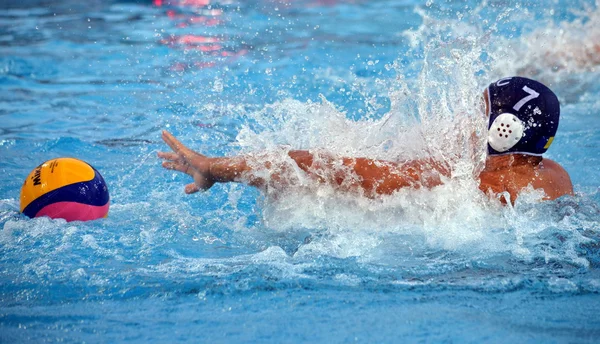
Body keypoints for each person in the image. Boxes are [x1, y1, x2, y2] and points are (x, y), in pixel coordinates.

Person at [158, 76, 573, 204]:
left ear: (505, 131)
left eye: (481, 115)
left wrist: (215, 168)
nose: (468, 124)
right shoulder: (555, 178)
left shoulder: (463, 188)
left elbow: (315, 164)